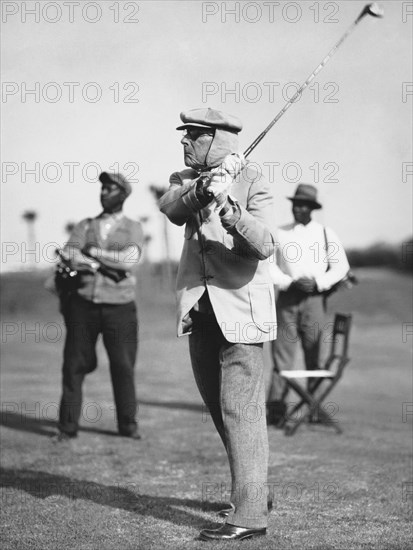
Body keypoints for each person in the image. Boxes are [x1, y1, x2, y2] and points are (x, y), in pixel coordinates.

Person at [158, 108, 277, 541]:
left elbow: (263, 245)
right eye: (184, 135)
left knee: (239, 410)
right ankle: (254, 490)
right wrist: (203, 189)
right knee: (221, 411)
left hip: (242, 312)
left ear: (218, 139)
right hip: (201, 312)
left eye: (193, 135)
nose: (185, 142)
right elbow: (171, 207)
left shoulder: (253, 180)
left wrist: (229, 206)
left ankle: (248, 515)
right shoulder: (183, 178)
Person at [55, 172, 144, 441]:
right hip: (83, 305)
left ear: (123, 194)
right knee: (73, 365)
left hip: (120, 307)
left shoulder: (133, 227)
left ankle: (128, 426)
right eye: (102, 188)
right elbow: (70, 254)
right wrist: (101, 263)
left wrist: (94, 255)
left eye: (110, 188)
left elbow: (129, 260)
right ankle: (67, 428)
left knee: (123, 366)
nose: (104, 192)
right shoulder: (85, 225)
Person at [266, 183, 350, 427]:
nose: (298, 209)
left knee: (314, 356)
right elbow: (269, 267)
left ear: (312, 208)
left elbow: (341, 267)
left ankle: (312, 409)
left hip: (314, 301)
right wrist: (290, 282)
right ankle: (276, 410)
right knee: (282, 357)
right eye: (295, 204)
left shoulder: (325, 233)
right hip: (287, 300)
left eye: (304, 205)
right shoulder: (280, 233)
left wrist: (318, 283)